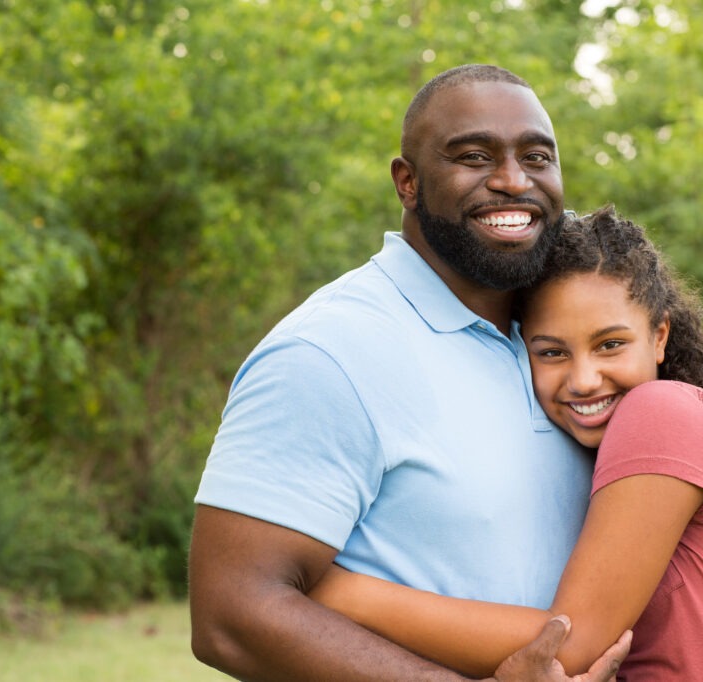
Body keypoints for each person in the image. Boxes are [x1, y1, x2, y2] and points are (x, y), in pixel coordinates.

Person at [188, 65, 632, 681]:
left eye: (537, 156)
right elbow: (232, 616)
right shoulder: (328, 351)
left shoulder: (570, 351)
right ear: (407, 182)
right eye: (474, 156)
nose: (512, 180)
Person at [309, 207, 703, 680]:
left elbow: (569, 645)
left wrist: (337, 589)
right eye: (551, 352)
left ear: (660, 336)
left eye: (610, 345)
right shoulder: (613, 448)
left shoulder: (663, 412)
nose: (585, 379)